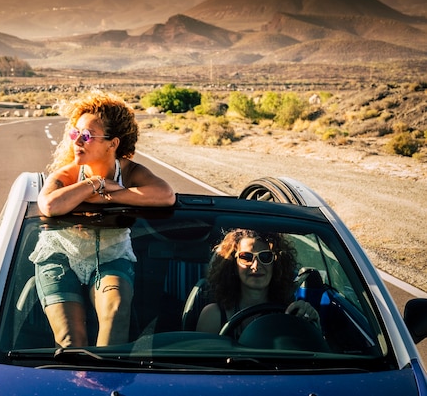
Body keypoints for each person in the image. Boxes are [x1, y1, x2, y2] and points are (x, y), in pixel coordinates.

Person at [30, 91, 176, 348]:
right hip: (60, 253)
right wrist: (94, 184)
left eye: (86, 136)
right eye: (75, 134)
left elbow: (165, 195)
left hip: (112, 254)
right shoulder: (67, 174)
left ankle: (105, 383)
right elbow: (50, 205)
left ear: (113, 143)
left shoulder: (131, 172)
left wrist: (114, 194)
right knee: (70, 338)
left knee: (116, 311)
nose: (77, 142)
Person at [196, 228, 320, 336]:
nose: (256, 266)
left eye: (265, 257)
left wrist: (314, 324)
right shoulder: (213, 316)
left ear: (276, 264)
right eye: (246, 257)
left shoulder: (291, 316)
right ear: (233, 264)